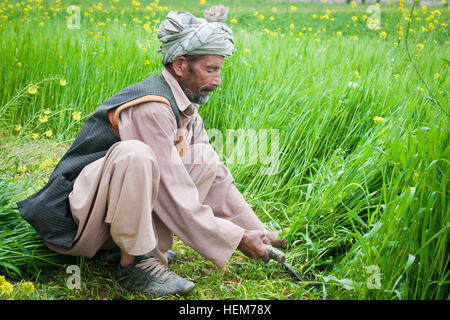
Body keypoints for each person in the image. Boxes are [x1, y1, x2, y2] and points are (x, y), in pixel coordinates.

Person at [16, 6, 285, 297]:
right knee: (135, 155)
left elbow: (217, 179)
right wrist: (235, 238)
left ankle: (127, 249)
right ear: (181, 65)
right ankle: (135, 262)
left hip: (112, 213)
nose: (218, 81)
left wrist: (260, 231)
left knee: (205, 159)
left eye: (219, 70)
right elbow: (171, 189)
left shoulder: (185, 108)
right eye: (210, 69)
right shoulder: (151, 107)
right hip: (77, 218)